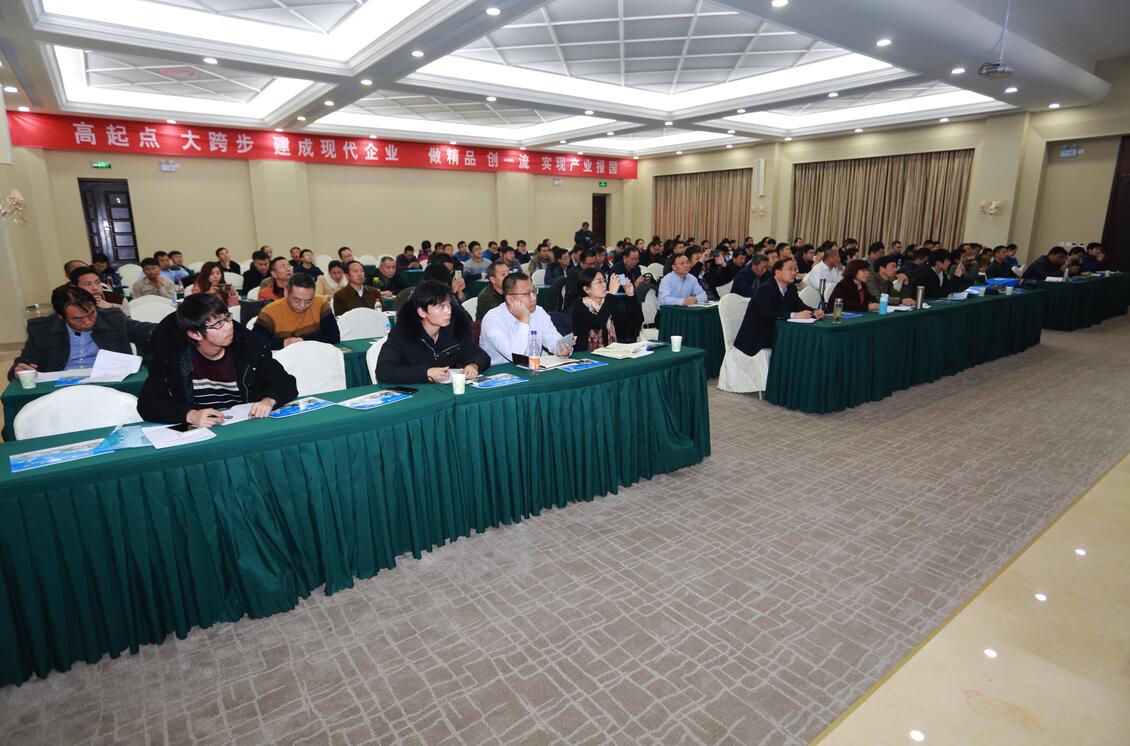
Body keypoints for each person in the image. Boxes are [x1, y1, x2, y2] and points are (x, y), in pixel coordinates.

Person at [138, 293, 297, 426]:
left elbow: (286, 383)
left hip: (243, 423)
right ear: (195, 334)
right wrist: (190, 415)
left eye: (227, 318)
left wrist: (269, 400)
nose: (228, 326)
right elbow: (148, 404)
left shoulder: (248, 347)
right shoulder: (172, 356)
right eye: (218, 324)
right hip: (202, 428)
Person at [9, 285, 154, 379]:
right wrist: (18, 370)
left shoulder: (113, 319)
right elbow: (22, 364)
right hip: (60, 387)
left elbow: (145, 331)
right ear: (61, 316)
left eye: (91, 314)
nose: (87, 322)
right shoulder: (42, 329)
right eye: (77, 319)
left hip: (106, 381)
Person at [375, 280, 489, 384]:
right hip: (415, 391)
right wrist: (426, 373)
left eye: (448, 304)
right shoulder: (402, 333)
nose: (448, 311)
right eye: (441, 306)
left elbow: (481, 355)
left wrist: (474, 365)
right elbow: (383, 371)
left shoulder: (454, 329)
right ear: (422, 312)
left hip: (445, 392)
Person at [733, 259, 824, 357]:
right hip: (757, 337)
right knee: (796, 343)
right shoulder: (765, 289)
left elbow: (800, 306)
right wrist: (794, 315)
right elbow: (768, 314)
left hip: (777, 332)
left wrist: (814, 311)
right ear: (777, 272)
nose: (794, 273)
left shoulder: (791, 288)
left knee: (803, 341)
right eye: (790, 269)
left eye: (795, 269)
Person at [480, 273, 572, 365]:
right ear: (510, 298)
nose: (533, 297)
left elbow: (553, 340)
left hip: (533, 367)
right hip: (501, 371)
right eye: (527, 294)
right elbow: (515, 356)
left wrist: (560, 349)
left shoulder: (539, 311)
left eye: (534, 291)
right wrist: (524, 320)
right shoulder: (492, 319)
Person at [253, 273, 340, 349]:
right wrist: (283, 343)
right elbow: (255, 343)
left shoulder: (320, 303)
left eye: (308, 301)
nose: (302, 306)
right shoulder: (270, 312)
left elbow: (333, 336)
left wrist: (302, 341)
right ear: (286, 292)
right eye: (297, 300)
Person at [571, 268, 642, 352]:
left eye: (604, 281)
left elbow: (638, 319)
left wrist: (631, 295)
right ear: (586, 289)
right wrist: (611, 294)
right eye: (599, 282)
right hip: (586, 355)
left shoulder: (609, 302)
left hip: (612, 351)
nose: (604, 285)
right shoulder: (579, 306)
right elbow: (597, 324)